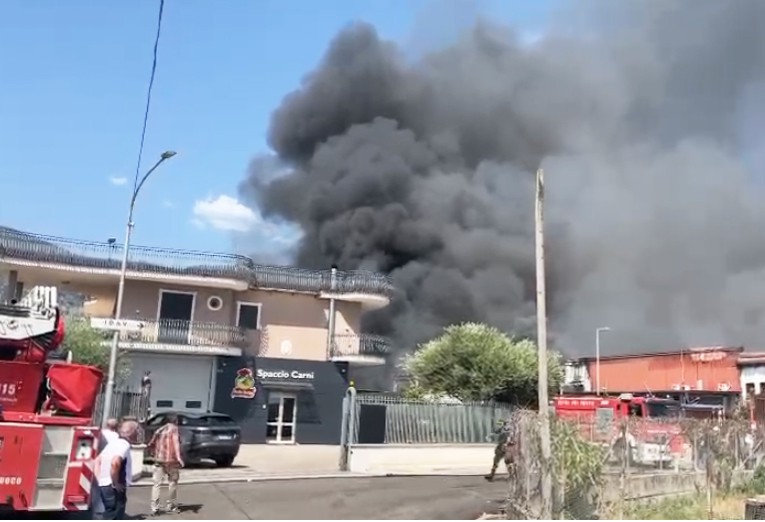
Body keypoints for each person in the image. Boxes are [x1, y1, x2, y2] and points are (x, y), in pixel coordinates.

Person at [95, 420, 139, 519]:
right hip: (114, 488)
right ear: (131, 432)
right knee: (115, 514)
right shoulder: (124, 444)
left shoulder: (113, 443)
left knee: (109, 513)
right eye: (137, 431)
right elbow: (115, 463)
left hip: (105, 485)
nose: (138, 434)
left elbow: (97, 460)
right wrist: (115, 483)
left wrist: (100, 480)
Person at [148, 414, 184, 516]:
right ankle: (171, 505)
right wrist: (179, 458)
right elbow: (176, 443)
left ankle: (154, 508)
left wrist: (153, 453)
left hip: (159, 460)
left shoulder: (159, 430)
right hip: (171, 461)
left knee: (156, 484)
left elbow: (151, 443)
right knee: (172, 483)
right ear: (175, 420)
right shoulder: (174, 429)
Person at [485, 417, 517, 482]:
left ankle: (512, 475)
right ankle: (492, 474)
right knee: (496, 460)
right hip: (501, 446)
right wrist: (490, 436)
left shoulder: (514, 430)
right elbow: (495, 432)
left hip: (508, 447)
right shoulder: (503, 429)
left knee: (508, 461)